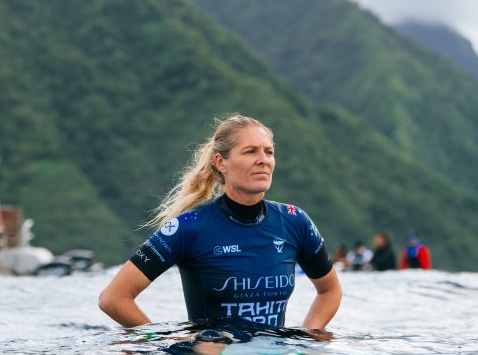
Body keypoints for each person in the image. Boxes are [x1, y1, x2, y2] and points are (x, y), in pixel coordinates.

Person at [99, 114, 342, 329]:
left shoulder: (294, 221)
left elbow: (330, 290)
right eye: (250, 151)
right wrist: (166, 342)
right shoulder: (189, 228)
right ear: (220, 162)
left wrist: (309, 335)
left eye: (269, 151)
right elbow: (114, 299)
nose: (263, 160)